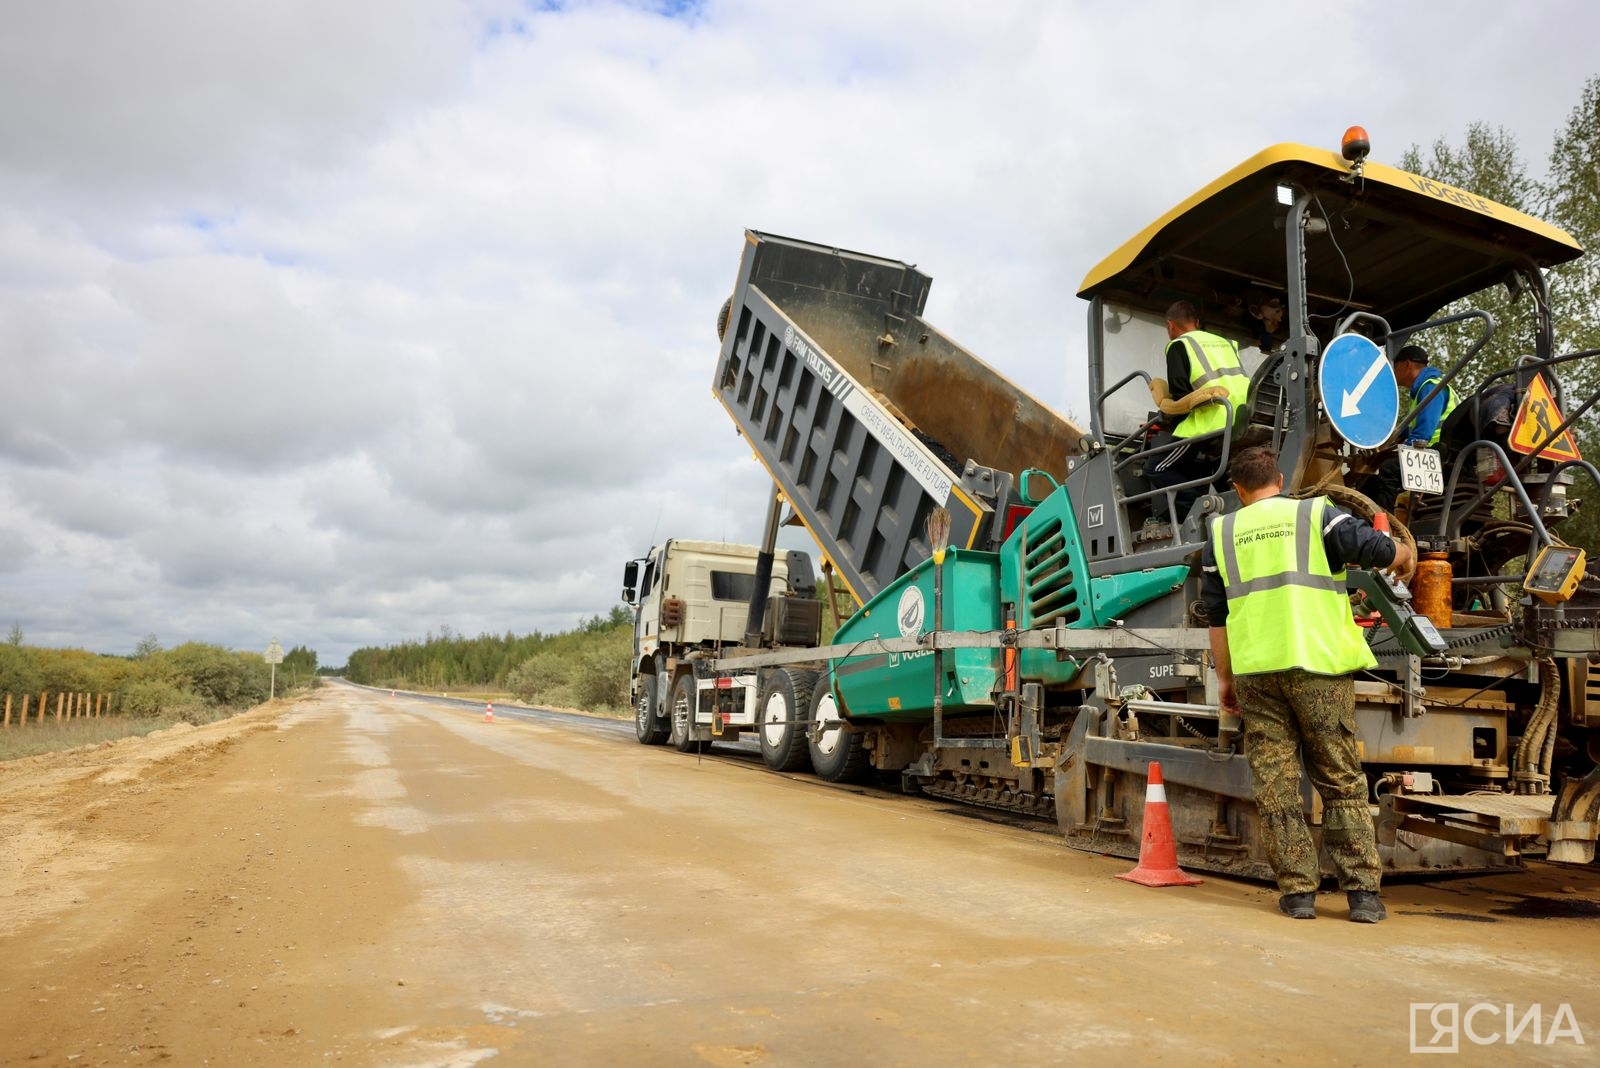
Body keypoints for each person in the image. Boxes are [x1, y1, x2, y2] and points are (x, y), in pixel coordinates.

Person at [1202, 445, 1414, 923]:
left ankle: (1298, 894)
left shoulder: (1221, 532)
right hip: (1318, 665)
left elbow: (1216, 617)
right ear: (1279, 478)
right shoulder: (1317, 514)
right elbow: (1377, 549)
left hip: (1258, 671)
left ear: (1237, 490)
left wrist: (1226, 681)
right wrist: (1403, 552)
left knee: (1276, 784)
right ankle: (1362, 895)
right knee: (1339, 778)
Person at [1147, 300, 1251, 524]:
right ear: (1196, 322)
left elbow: (1182, 394)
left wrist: (1169, 417)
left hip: (1209, 422)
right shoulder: (1226, 343)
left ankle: (1198, 509)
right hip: (1241, 417)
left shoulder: (1179, 345)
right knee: (1207, 470)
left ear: (1170, 326)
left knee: (1156, 467)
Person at [1366, 344, 1461, 509]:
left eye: (1394, 367)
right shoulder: (1423, 391)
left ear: (1407, 364)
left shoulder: (1431, 386)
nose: (1392, 373)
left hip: (1437, 454)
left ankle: (1381, 527)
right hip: (1436, 452)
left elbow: (1423, 433)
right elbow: (1410, 429)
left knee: (1386, 471)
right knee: (1370, 478)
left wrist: (1397, 451)